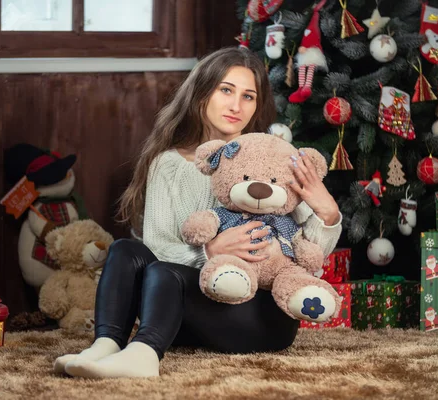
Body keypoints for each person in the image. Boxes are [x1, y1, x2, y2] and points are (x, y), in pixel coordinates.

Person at [53, 47, 342, 379]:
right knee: (125, 250)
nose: (236, 105)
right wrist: (209, 252)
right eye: (226, 90)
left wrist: (327, 211)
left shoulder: (275, 160)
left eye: (249, 96)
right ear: (201, 91)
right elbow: (157, 247)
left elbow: (311, 257)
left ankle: (144, 354)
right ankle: (105, 345)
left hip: (258, 319)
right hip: (188, 313)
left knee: (166, 273)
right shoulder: (169, 165)